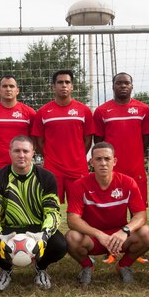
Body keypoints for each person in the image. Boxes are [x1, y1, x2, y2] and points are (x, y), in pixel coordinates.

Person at [0, 136, 66, 291]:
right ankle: (6, 269)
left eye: (25, 151)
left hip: (37, 229)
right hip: (8, 229)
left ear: (33, 153)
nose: (21, 155)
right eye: (17, 151)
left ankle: (41, 268)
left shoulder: (47, 177)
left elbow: (52, 211)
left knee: (60, 245)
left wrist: (44, 236)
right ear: (10, 153)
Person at [65, 142, 149, 285]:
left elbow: (141, 215)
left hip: (118, 238)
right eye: (98, 159)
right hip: (93, 238)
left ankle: (124, 265)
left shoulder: (128, 182)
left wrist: (124, 231)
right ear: (91, 162)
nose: (103, 163)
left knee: (147, 233)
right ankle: (87, 266)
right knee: (71, 237)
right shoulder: (80, 185)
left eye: (107, 159)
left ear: (114, 161)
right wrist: (99, 235)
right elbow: (72, 220)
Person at [31, 69, 94, 204]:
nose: (64, 85)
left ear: (72, 86)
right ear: (53, 86)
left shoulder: (84, 111)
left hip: (78, 169)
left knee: (80, 209)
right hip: (52, 169)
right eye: (60, 82)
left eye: (67, 82)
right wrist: (49, 156)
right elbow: (39, 141)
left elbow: (88, 138)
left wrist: (79, 156)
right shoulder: (43, 112)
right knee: (50, 207)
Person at [93, 72, 149, 203]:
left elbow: (146, 137)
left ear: (132, 86)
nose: (123, 86)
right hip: (111, 168)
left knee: (138, 208)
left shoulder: (144, 109)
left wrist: (136, 154)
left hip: (136, 168)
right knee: (111, 207)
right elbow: (98, 141)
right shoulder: (101, 111)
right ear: (113, 87)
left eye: (127, 83)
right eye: (119, 83)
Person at [0, 75, 36, 185]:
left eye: (11, 86)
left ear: (17, 90)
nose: (8, 89)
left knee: (22, 201)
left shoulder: (29, 113)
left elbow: (33, 141)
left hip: (21, 166)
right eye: (5, 86)